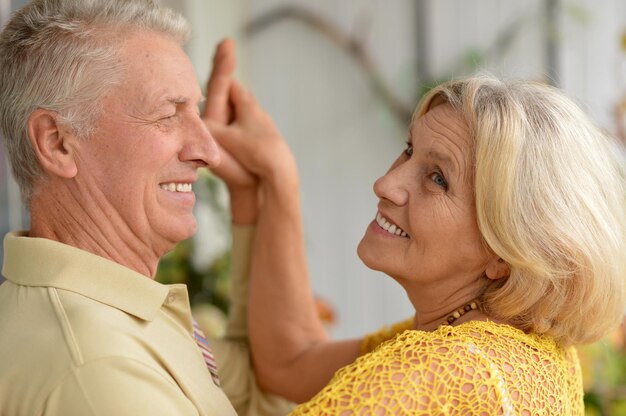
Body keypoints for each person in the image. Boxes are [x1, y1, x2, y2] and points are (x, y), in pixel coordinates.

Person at [208, 48, 626, 412]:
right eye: (409, 150)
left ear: (506, 252)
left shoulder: (443, 369)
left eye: (438, 178)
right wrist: (275, 179)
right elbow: (291, 362)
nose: (385, 185)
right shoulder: (529, 349)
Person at [0, 0, 338, 414]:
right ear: (57, 142)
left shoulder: (112, 317)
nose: (209, 151)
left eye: (195, 111)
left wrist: (261, 191)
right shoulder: (102, 369)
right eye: (168, 114)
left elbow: (264, 388)